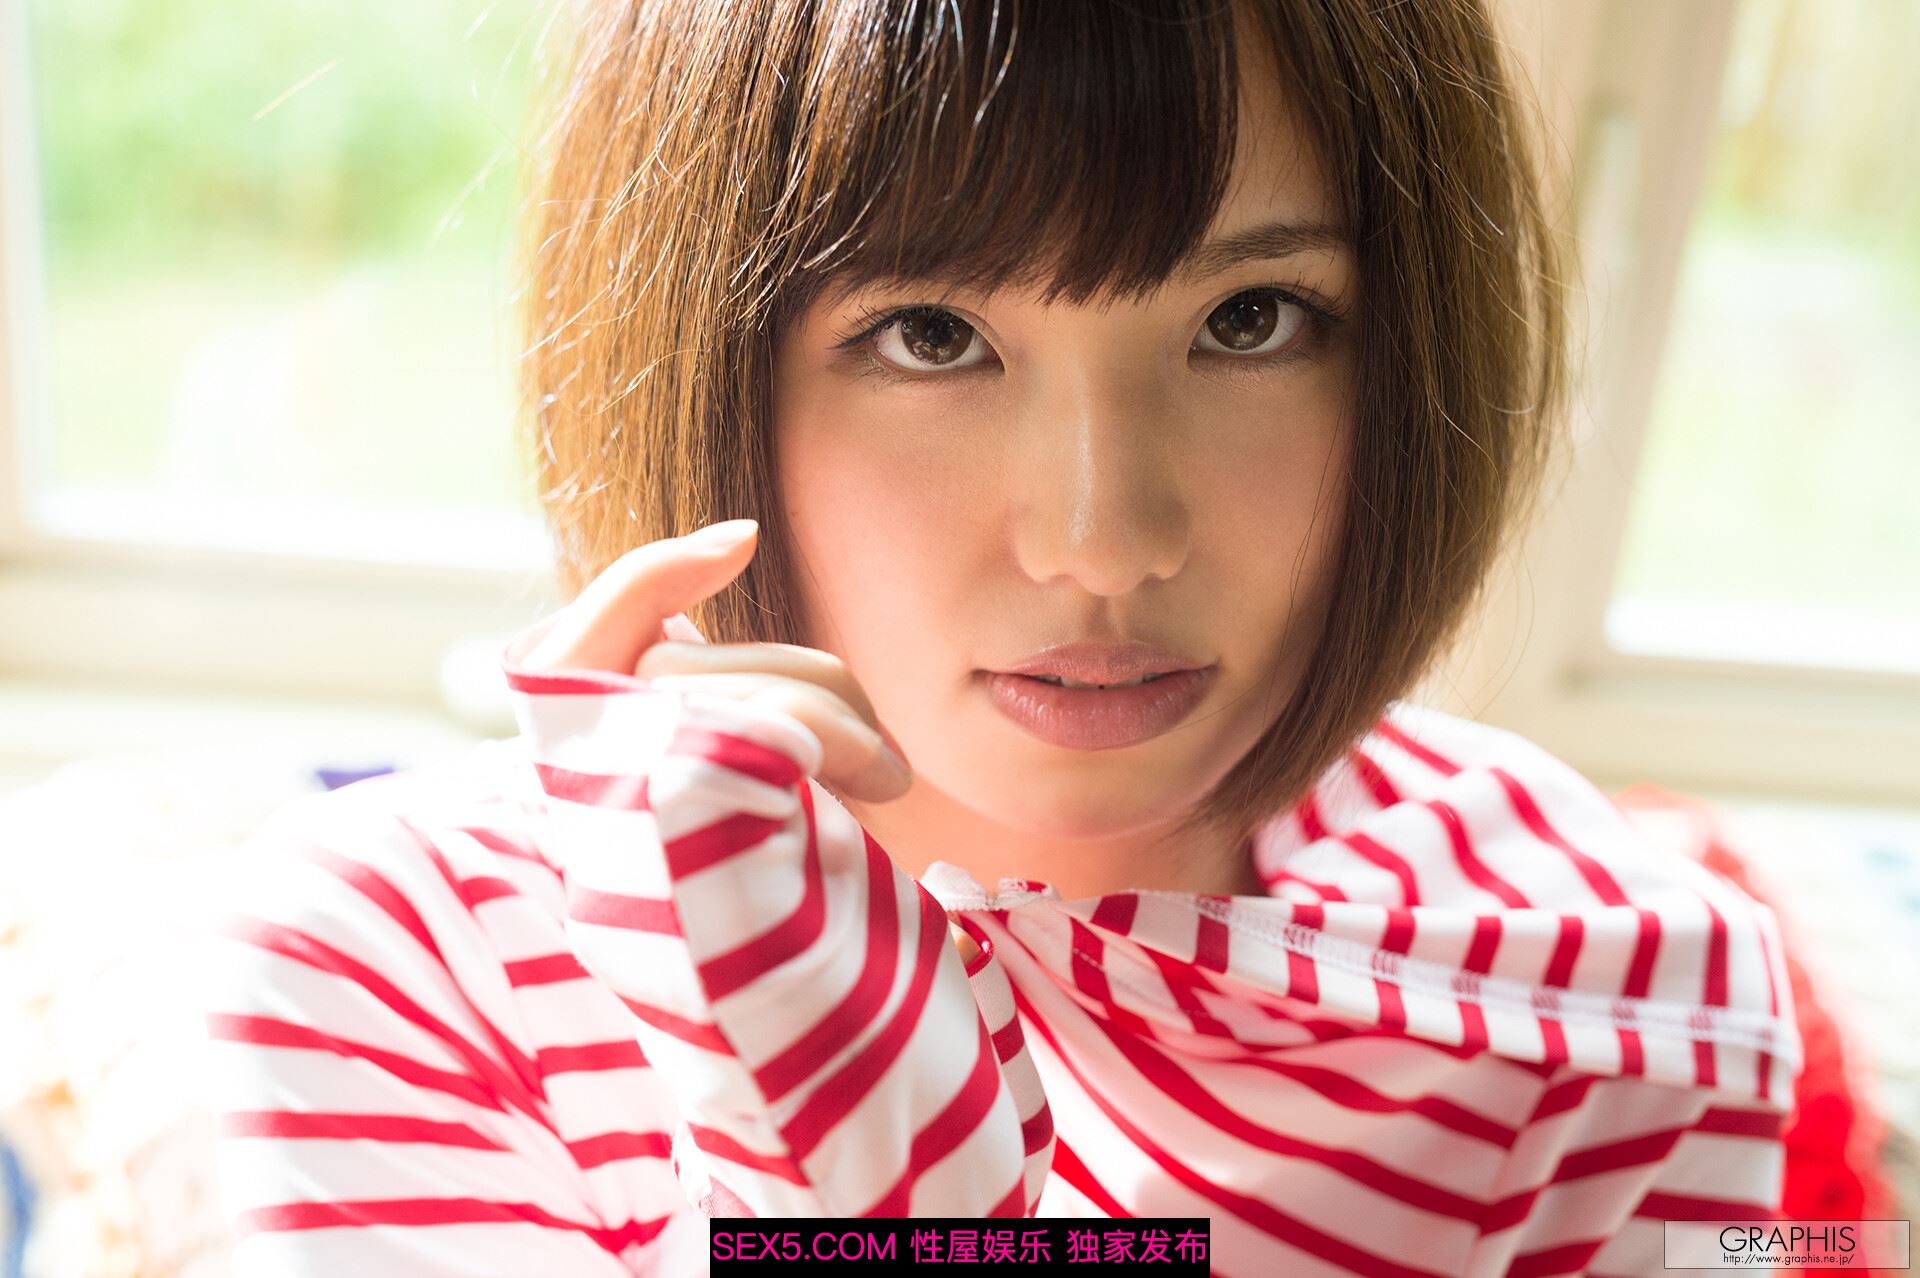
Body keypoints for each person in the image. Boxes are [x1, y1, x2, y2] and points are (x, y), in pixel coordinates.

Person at [199, 0, 1803, 1273]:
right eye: (932, 334)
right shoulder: (400, 957)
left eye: (1249, 321)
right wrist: (839, 1156)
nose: (1104, 539)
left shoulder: (1601, 974)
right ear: (704, 354)